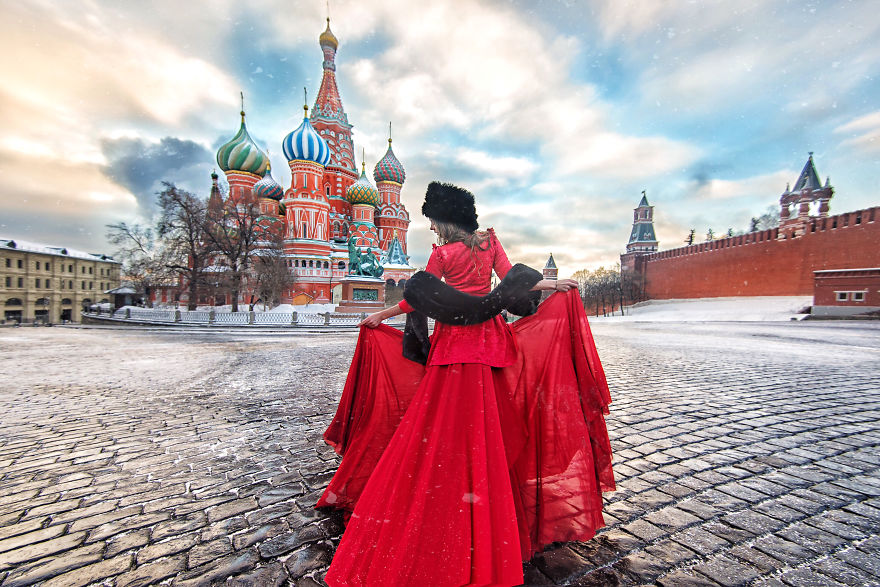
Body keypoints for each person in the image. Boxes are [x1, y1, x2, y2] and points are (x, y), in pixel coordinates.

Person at [321, 182, 614, 587]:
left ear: (444, 220)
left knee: (443, 430)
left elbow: (419, 300)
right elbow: (511, 280)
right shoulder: (488, 243)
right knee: (489, 428)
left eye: (433, 221)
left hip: (453, 351)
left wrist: (382, 315)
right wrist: (551, 285)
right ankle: (487, 495)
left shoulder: (441, 255)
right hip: (490, 346)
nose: (432, 227)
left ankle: (449, 488)